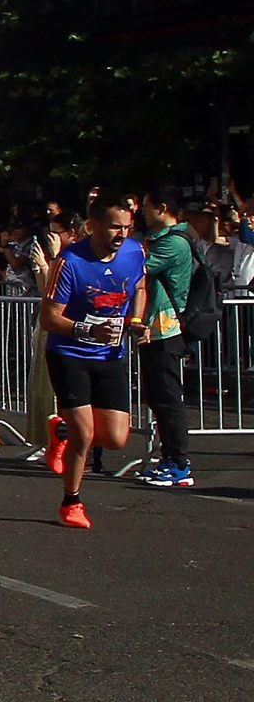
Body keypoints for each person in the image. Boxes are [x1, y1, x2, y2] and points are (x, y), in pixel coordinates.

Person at [39, 199, 148, 529]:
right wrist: (88, 330)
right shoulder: (70, 261)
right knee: (84, 435)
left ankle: (62, 430)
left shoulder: (134, 252)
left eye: (127, 227)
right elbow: (48, 318)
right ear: (93, 226)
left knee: (116, 439)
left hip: (110, 355)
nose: (122, 234)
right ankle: (71, 502)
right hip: (69, 354)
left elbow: (139, 287)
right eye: (115, 227)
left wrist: (136, 320)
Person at [136, 195, 199, 488]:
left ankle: (179, 463)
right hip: (155, 329)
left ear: (162, 208)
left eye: (146, 206)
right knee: (158, 398)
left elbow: (139, 269)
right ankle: (168, 459)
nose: (142, 212)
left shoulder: (173, 243)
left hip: (166, 329)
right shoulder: (163, 239)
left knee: (168, 398)